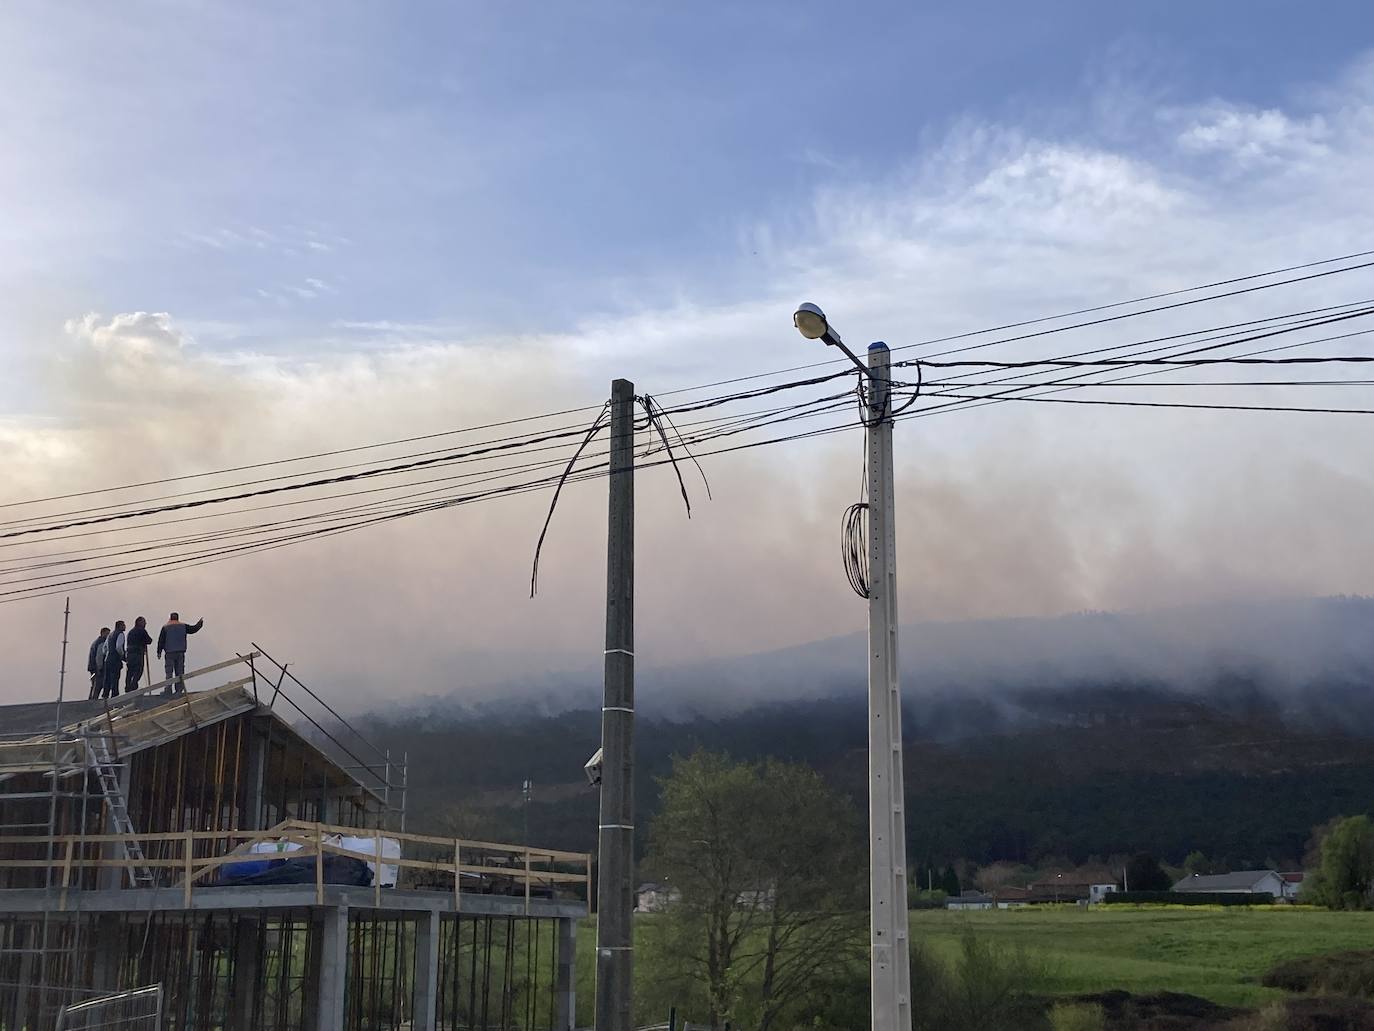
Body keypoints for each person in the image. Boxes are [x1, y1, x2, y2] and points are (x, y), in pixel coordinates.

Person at [156, 612, 204, 696]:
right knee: (180, 672)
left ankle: (168, 690)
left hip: (169, 652)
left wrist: (159, 652)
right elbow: (193, 629)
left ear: (170, 618)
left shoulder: (165, 627)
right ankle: (179, 690)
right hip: (180, 652)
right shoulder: (183, 626)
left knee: (169, 672)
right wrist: (199, 624)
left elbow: (161, 640)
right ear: (178, 618)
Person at [124, 616, 154, 693]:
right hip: (137, 654)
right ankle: (133, 687)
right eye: (144, 622)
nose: (145, 623)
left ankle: (127, 688)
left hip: (129, 654)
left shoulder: (130, 632)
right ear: (140, 622)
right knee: (138, 671)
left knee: (130, 671)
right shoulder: (142, 630)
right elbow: (149, 640)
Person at [101, 620, 126, 700]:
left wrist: (108, 654)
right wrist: (122, 655)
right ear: (120, 626)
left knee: (107, 679)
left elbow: (104, 648)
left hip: (107, 659)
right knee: (115, 679)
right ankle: (114, 698)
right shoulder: (120, 634)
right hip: (115, 660)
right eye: (123, 625)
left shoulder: (110, 635)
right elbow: (118, 647)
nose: (125, 626)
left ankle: (105, 696)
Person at [86, 627, 110, 700]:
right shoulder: (101, 642)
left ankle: (91, 700)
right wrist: (100, 667)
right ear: (103, 633)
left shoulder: (96, 642)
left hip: (93, 668)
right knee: (98, 685)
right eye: (107, 634)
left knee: (94, 685)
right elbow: (99, 656)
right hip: (97, 668)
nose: (108, 636)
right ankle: (93, 701)